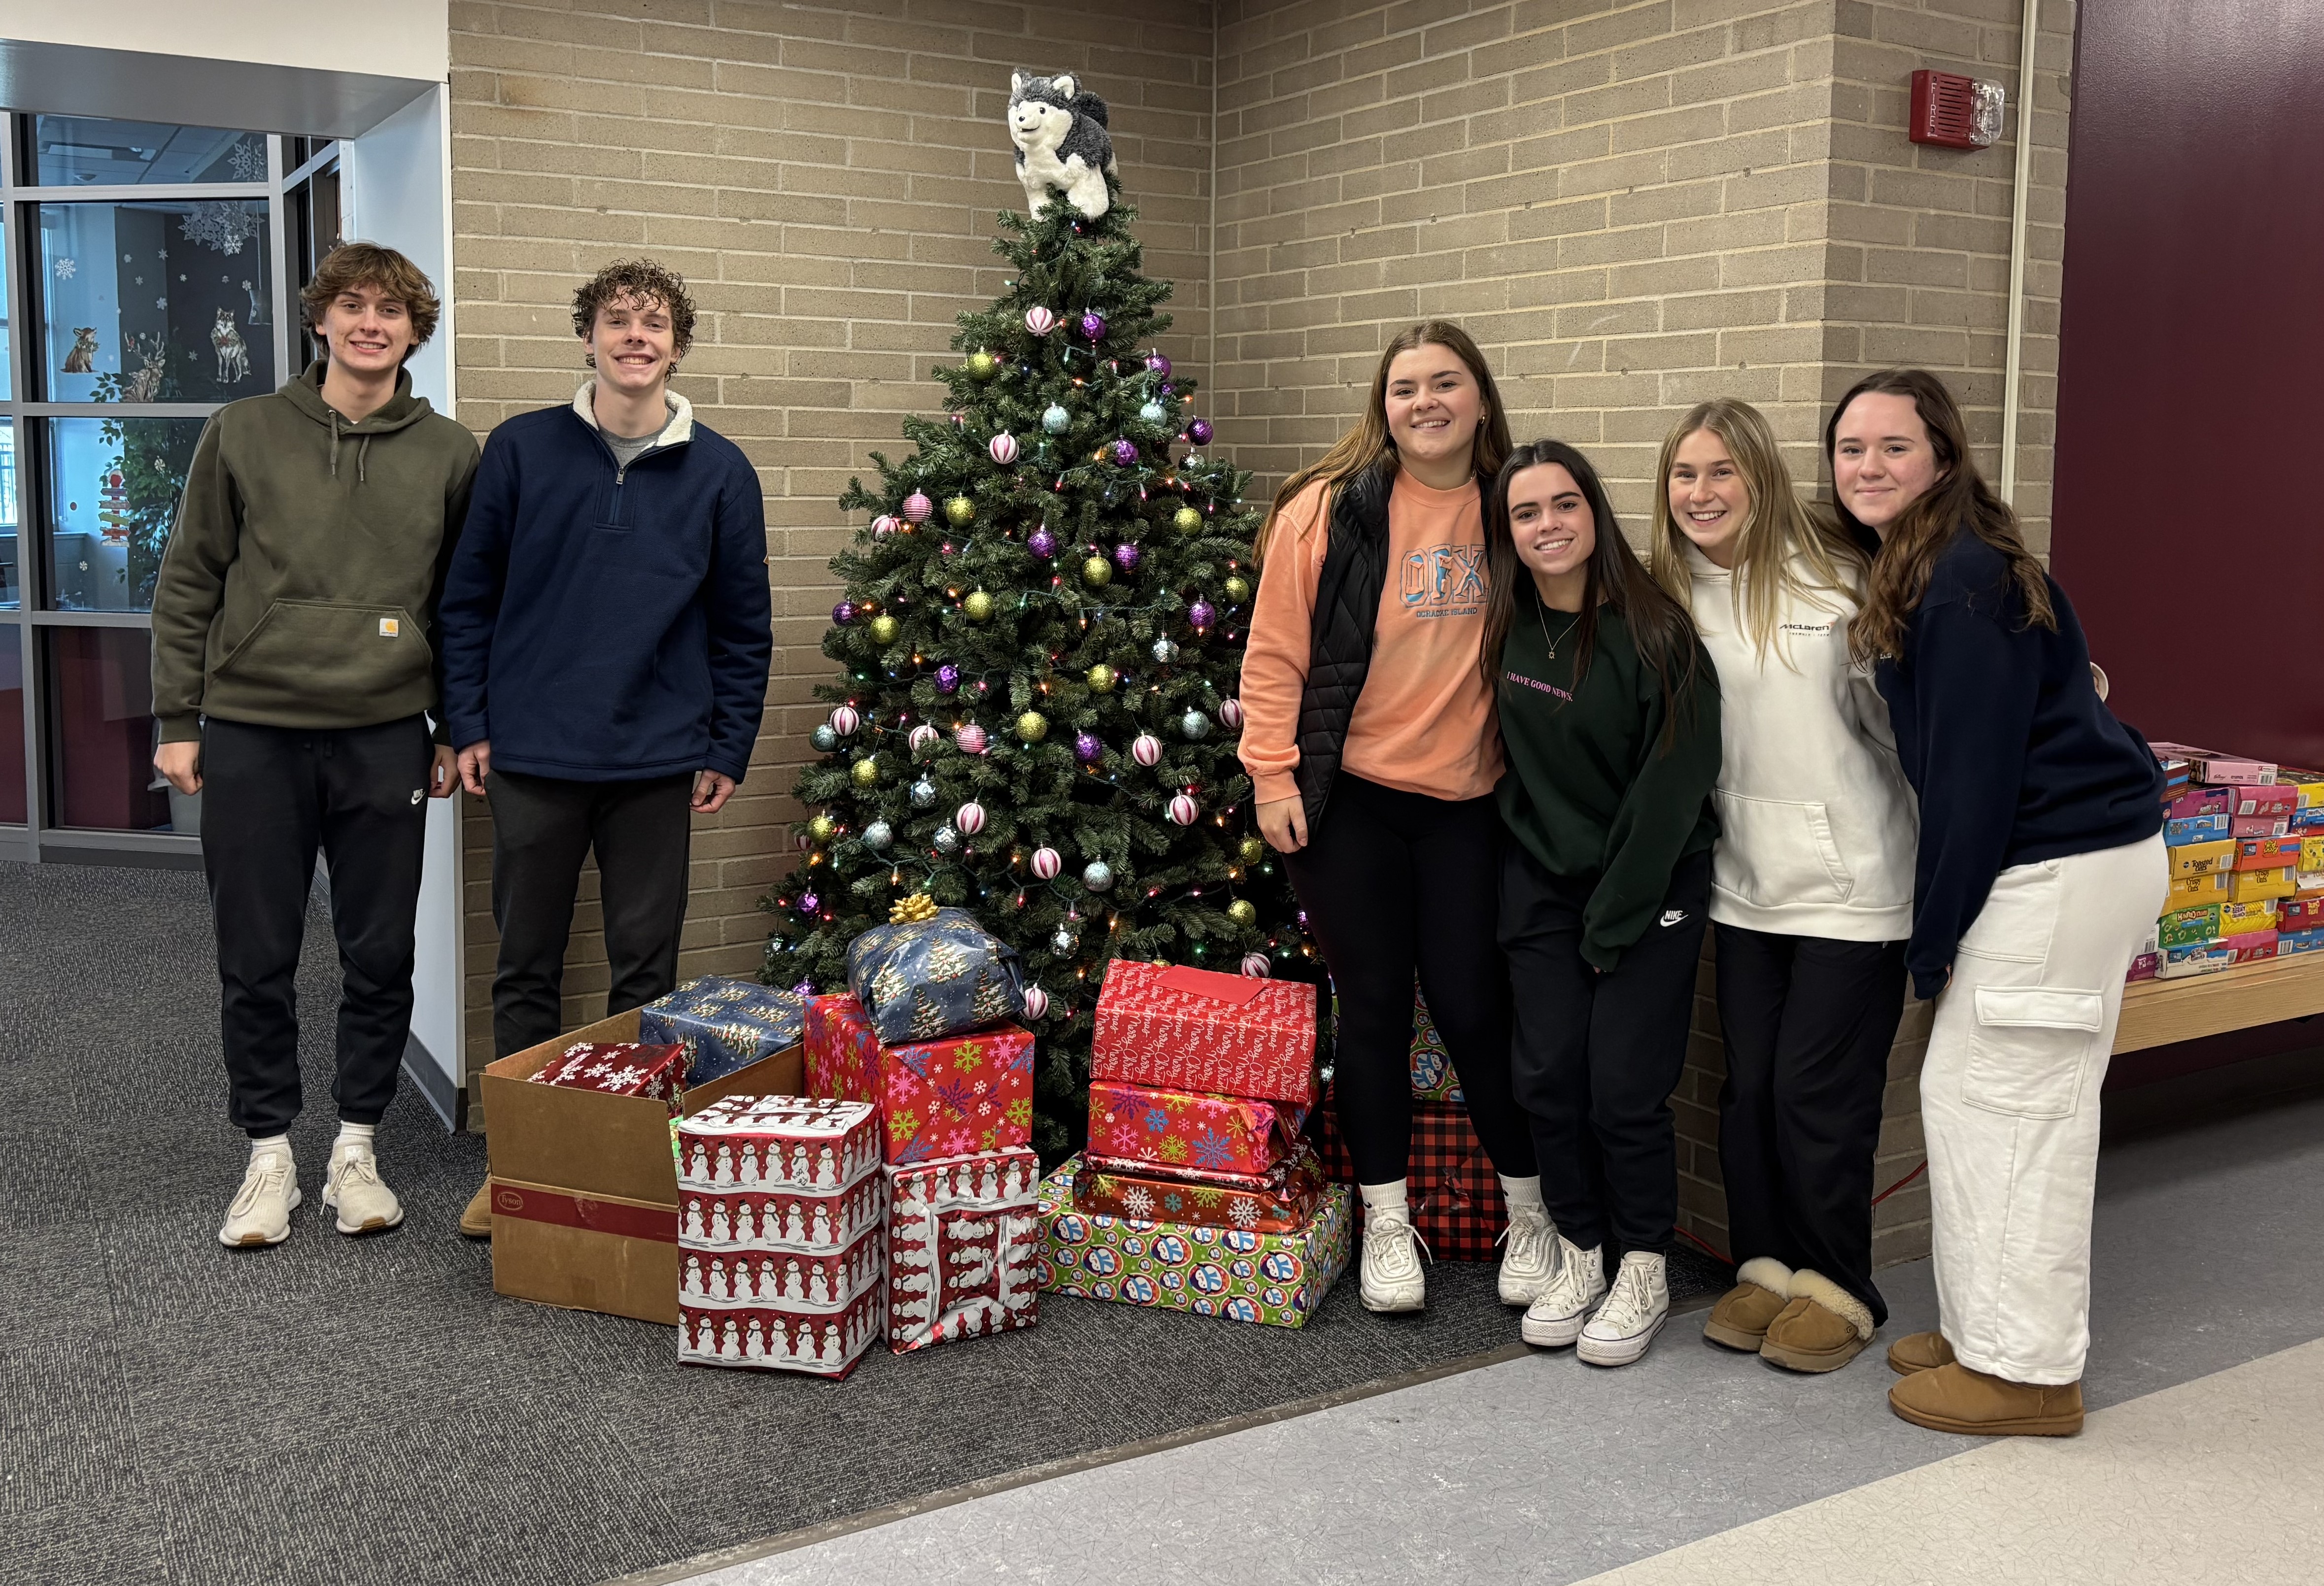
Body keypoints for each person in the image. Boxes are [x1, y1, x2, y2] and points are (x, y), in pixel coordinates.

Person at [1826, 369, 2165, 1436]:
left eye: (1892, 447)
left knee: (2014, 1112)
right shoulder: (1936, 564)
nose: (1868, 467)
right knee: (1977, 1098)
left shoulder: (1962, 580)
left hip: (2055, 868)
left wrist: (1933, 948)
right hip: (2064, 863)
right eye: (1850, 449)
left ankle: (2027, 1374)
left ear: (1941, 457)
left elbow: (1971, 784)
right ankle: (1986, 1332)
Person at [150, 242, 479, 1248]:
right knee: (257, 952)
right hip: (253, 730)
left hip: (384, 736)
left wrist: (452, 725)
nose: (369, 322)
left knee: (381, 953)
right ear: (321, 320)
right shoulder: (245, 431)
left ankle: (356, 1148)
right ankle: (268, 1154)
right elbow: (190, 577)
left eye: (390, 309)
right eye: (351, 305)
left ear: (414, 330)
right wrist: (176, 718)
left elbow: (463, 609)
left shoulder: (450, 452)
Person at [438, 259, 773, 1238]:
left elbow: (742, 627)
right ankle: (521, 1170)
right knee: (527, 966)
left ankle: (624, 1163)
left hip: (657, 762)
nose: (638, 337)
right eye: (619, 321)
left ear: (677, 346)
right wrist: (469, 722)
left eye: (656, 323)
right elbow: (466, 601)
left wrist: (728, 744)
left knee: (645, 974)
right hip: (533, 755)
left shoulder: (721, 471)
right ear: (587, 337)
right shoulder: (520, 452)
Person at [1238, 321, 1547, 1315]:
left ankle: (1531, 1211)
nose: (1425, 402)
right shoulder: (1328, 511)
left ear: (1481, 399)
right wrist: (1272, 777)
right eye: (1405, 386)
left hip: (1468, 805)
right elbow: (1276, 652)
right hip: (1351, 803)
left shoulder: (1518, 509)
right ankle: (1386, 1222)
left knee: (1472, 1009)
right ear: (1384, 405)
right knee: (1369, 1010)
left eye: (1445, 383)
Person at [1646, 400, 1917, 1373]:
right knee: (1749, 1089)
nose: (1702, 492)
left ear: (1759, 479)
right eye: (1685, 474)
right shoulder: (1667, 596)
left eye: (1722, 472)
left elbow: (1909, 724)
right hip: (1743, 885)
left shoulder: (1841, 581)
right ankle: (1765, 1265)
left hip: (1857, 885)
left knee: (1818, 1091)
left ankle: (1841, 1285)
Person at [1489, 439, 1721, 1367]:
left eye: (1564, 505)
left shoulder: (1656, 630)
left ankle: (1644, 1267)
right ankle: (1581, 1251)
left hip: (1650, 885)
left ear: (1594, 513)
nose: (1548, 525)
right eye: (1526, 512)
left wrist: (1617, 918)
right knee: (1547, 1079)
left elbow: (1674, 791)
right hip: (1543, 885)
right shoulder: (1504, 628)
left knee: (1624, 1090)